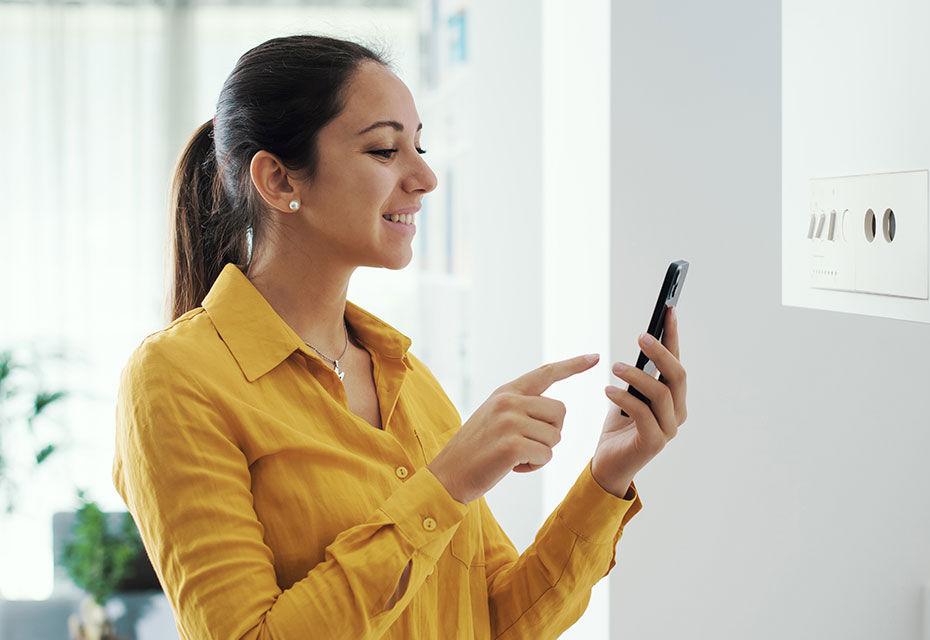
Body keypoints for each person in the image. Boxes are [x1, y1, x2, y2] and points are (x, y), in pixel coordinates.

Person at [111, 34, 688, 639]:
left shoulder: (404, 376)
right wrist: (446, 485)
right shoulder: (174, 379)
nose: (426, 176)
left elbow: (495, 622)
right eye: (385, 150)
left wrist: (606, 477)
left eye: (419, 145)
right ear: (279, 180)